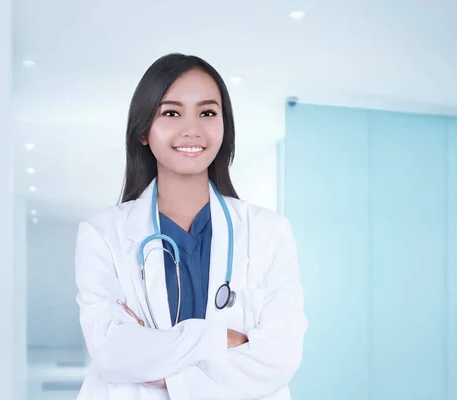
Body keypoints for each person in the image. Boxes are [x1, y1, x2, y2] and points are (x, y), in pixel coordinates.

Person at [74, 53, 308, 400]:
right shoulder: (102, 234)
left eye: (207, 112)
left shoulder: (268, 231)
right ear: (143, 130)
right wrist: (217, 339)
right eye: (171, 112)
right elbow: (113, 354)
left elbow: (279, 357)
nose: (192, 128)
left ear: (223, 126)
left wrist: (162, 366)